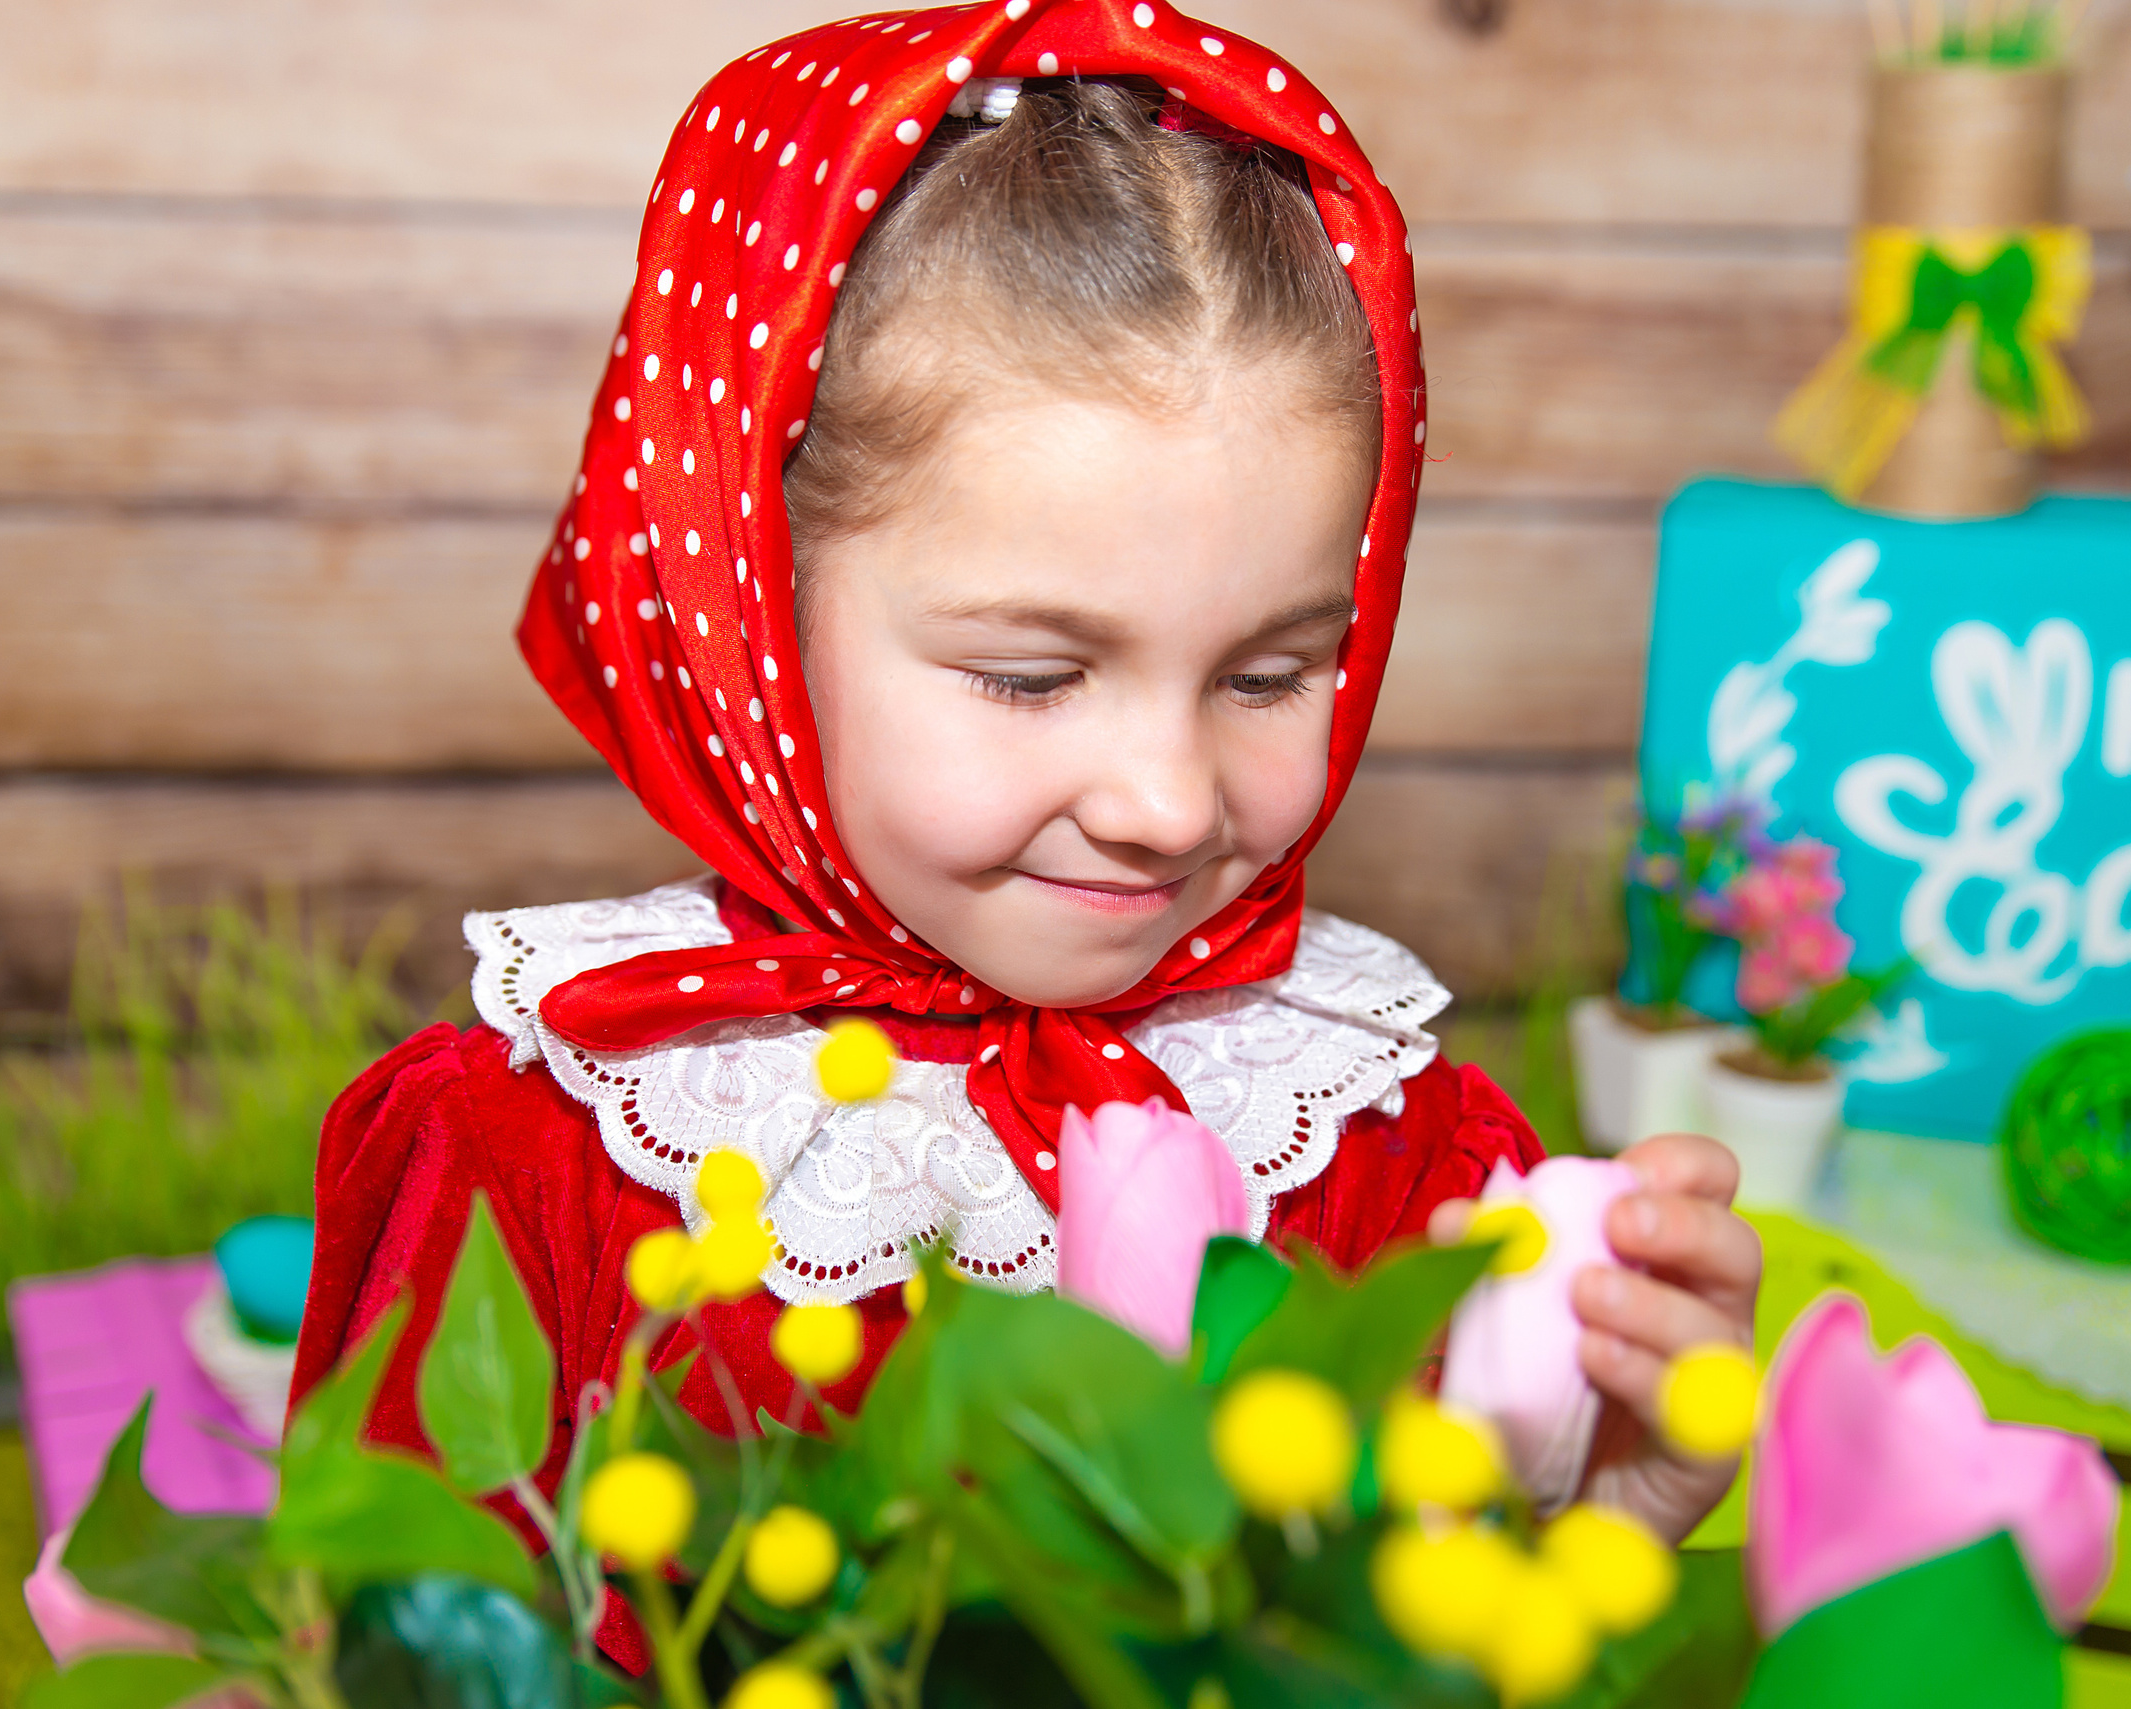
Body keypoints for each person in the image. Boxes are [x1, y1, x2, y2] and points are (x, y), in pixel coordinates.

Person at [291, 0, 1761, 1612]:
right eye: (1031, 676)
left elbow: (1416, 1635)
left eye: (1269, 675)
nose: (1164, 799)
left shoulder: (1384, 1148)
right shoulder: (534, 1159)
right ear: (753, 623)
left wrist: (1599, 1512)